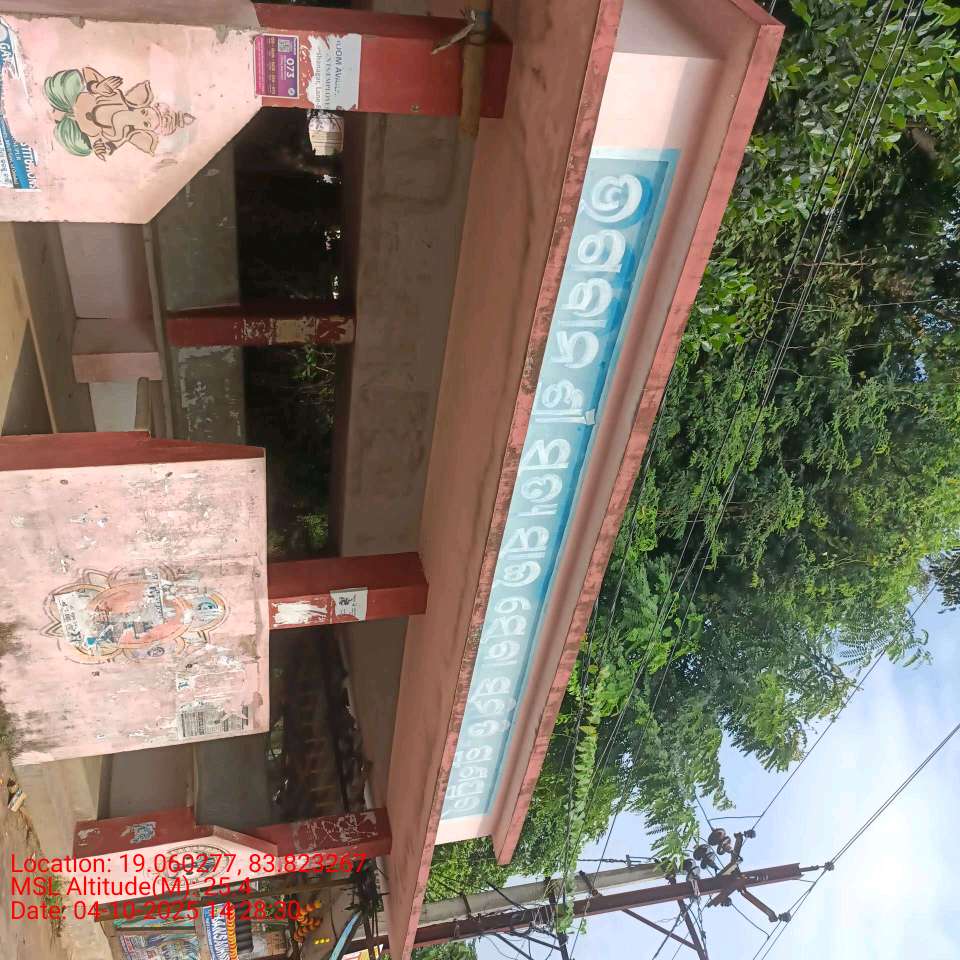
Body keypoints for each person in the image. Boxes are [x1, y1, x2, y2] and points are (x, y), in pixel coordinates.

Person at [43, 66, 194, 160]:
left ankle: (58, 122)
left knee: (81, 148)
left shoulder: (122, 135)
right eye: (144, 112)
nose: (139, 117)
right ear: (145, 106)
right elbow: (87, 72)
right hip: (72, 98)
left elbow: (105, 147)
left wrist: (98, 148)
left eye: (146, 123)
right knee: (67, 83)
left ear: (145, 129)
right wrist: (97, 87)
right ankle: (57, 105)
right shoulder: (115, 96)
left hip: (76, 130)